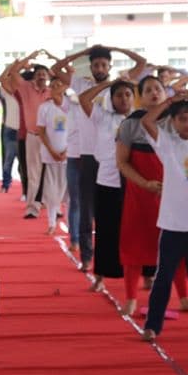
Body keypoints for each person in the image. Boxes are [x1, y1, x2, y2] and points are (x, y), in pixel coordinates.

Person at [53, 45, 148, 271]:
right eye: (95, 64)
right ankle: (87, 256)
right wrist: (82, 55)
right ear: (91, 66)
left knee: (124, 209)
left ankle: (128, 259)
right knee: (86, 207)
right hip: (87, 151)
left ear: (109, 66)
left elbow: (141, 63)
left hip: (117, 154)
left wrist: (116, 49)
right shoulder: (81, 83)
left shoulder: (120, 88)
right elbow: (56, 68)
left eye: (104, 64)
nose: (99, 68)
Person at [140, 93, 188, 340]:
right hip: (173, 223)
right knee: (164, 276)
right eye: (182, 119)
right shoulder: (167, 143)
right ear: (173, 121)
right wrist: (169, 102)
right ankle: (152, 325)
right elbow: (147, 121)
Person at [114, 75, 175, 313]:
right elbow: (122, 162)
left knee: (173, 243)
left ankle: (183, 297)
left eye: (158, 89)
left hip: (171, 193)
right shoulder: (130, 124)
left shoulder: (175, 120)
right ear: (140, 96)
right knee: (134, 243)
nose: (154, 93)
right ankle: (130, 297)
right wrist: (144, 183)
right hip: (139, 194)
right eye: (148, 90)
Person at [78, 78, 134, 292]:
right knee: (106, 230)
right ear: (111, 99)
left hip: (134, 181)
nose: (124, 99)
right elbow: (84, 98)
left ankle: (146, 275)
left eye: (128, 94)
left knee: (135, 230)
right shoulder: (103, 117)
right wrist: (108, 83)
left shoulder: (141, 119)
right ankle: (100, 276)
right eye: (119, 95)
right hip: (107, 180)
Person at [5, 54, 52, 219]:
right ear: (34, 76)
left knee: (51, 173)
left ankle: (51, 205)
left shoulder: (53, 92)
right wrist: (28, 58)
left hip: (50, 138)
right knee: (33, 173)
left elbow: (67, 78)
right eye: (38, 73)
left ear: (48, 76)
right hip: (32, 136)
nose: (41, 76)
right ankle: (32, 207)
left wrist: (53, 63)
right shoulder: (25, 88)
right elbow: (13, 72)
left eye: (44, 74)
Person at [35, 78, 70, 235]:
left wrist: (67, 151)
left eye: (59, 85)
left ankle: (71, 225)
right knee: (51, 191)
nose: (56, 88)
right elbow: (41, 132)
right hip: (49, 156)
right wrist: (52, 151)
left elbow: (78, 131)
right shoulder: (44, 108)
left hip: (69, 155)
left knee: (69, 192)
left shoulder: (71, 106)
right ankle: (51, 223)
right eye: (53, 85)